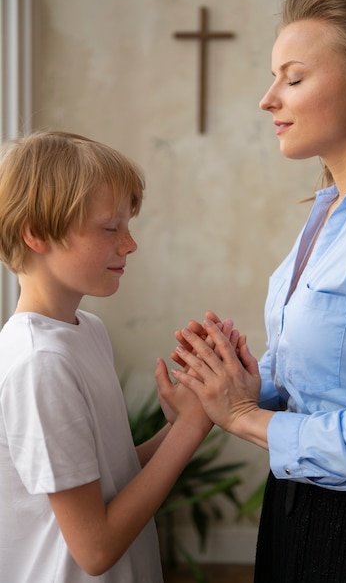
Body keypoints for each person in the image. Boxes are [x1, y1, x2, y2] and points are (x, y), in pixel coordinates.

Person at [168, 0, 346, 583]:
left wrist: (243, 415)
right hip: (296, 509)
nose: (268, 98)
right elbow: (322, 376)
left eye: (294, 77)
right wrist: (236, 378)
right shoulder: (327, 209)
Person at [0, 130, 213, 583]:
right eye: (110, 228)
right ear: (36, 234)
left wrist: (179, 426)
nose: (129, 244)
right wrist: (191, 430)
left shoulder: (86, 331)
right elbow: (95, 549)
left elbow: (108, 478)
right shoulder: (40, 363)